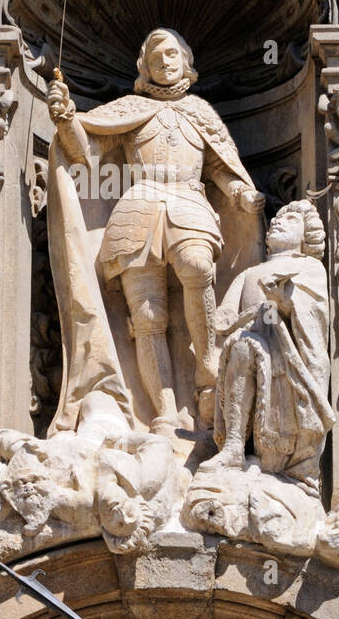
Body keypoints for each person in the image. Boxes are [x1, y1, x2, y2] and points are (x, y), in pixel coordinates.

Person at [47, 28, 264, 433]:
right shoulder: (129, 108)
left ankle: (207, 372)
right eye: (156, 56)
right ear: (143, 68)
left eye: (172, 54)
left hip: (188, 201)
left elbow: (220, 167)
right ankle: (163, 411)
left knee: (198, 267)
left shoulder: (201, 113)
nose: (165, 61)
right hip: (139, 207)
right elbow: (86, 151)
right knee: (147, 316)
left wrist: (239, 195)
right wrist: (66, 119)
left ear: (186, 60)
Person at [211, 199, 335, 479]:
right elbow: (227, 312)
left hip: (288, 358)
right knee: (241, 347)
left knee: (244, 346)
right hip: (249, 348)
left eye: (291, 220)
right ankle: (234, 445)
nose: (278, 222)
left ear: (307, 237)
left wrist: (284, 301)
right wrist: (224, 317)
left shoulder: (310, 268)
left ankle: (272, 456)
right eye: (276, 219)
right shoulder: (249, 273)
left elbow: (314, 317)